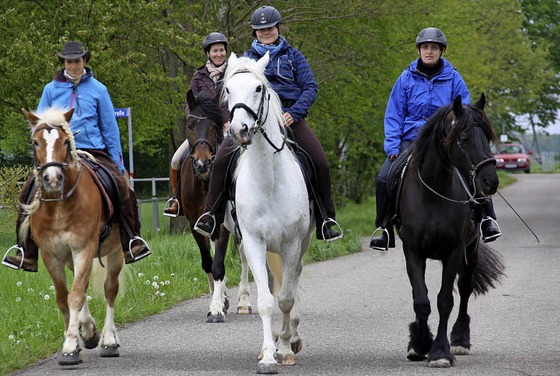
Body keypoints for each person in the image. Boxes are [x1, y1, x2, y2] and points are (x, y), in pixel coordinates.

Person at [194, 5, 343, 242]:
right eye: (260, 29)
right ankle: (211, 216)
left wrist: (295, 112)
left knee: (321, 163)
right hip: (254, 122)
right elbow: (229, 92)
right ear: (254, 33)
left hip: (288, 118)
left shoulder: (294, 56)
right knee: (222, 160)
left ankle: (327, 219)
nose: (265, 32)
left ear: (278, 28)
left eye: (269, 28)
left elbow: (310, 87)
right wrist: (232, 119)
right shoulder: (245, 59)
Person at [2, 41, 151, 272]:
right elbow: (39, 127)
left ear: (84, 61)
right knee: (28, 190)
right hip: (58, 154)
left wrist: (120, 167)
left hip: (94, 152)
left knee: (123, 189)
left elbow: (110, 130)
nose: (73, 65)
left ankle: (132, 240)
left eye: (77, 61)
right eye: (69, 62)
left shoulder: (99, 90)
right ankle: (25, 251)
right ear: (63, 63)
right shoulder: (50, 90)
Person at [369, 27, 501, 251]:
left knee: (472, 171)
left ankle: (487, 220)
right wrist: (392, 146)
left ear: (441, 51)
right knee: (384, 177)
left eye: (434, 48)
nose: (429, 51)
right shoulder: (405, 78)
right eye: (425, 47)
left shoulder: (453, 78)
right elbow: (394, 114)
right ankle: (383, 227)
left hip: (445, 141)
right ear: (419, 50)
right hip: (411, 139)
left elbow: (464, 112)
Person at [163, 32, 231, 217]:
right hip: (203, 129)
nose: (218, 54)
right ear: (208, 53)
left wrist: (228, 121)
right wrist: (194, 120)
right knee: (176, 159)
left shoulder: (233, 73)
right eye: (214, 51)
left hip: (228, 128)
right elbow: (189, 103)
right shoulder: (199, 76)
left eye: (221, 50)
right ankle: (177, 201)